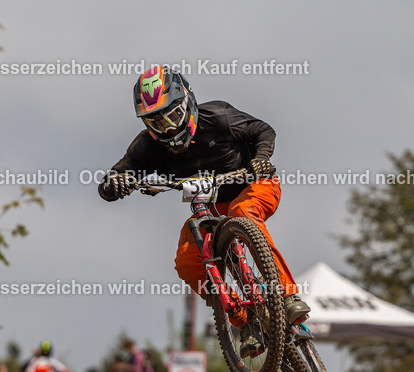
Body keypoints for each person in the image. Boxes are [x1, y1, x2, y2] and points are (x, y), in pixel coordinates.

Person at [98, 66, 310, 357]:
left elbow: (263, 130)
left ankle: (286, 296)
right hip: (209, 206)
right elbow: (115, 177)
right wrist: (116, 185)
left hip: (256, 185)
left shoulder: (219, 117)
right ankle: (245, 321)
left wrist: (261, 158)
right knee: (187, 262)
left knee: (242, 212)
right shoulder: (147, 146)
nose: (168, 128)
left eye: (171, 117)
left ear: (186, 103)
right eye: (155, 123)